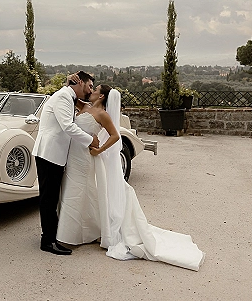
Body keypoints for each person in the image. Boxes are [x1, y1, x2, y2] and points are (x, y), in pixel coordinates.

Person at [56, 84, 205, 271]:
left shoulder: (102, 115)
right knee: (78, 193)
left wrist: (100, 149)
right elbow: (66, 95)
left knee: (76, 193)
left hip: (86, 158)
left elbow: (115, 136)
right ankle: (85, 230)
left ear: (101, 96)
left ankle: (69, 236)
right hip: (73, 156)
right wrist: (70, 81)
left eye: (95, 90)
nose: (90, 91)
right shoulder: (84, 106)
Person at [32, 71, 100, 255]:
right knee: (48, 199)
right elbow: (67, 126)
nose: (90, 90)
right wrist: (90, 140)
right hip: (49, 153)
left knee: (52, 198)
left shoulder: (68, 96)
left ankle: (51, 237)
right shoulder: (63, 97)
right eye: (89, 86)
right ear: (80, 83)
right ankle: (47, 242)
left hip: (54, 154)